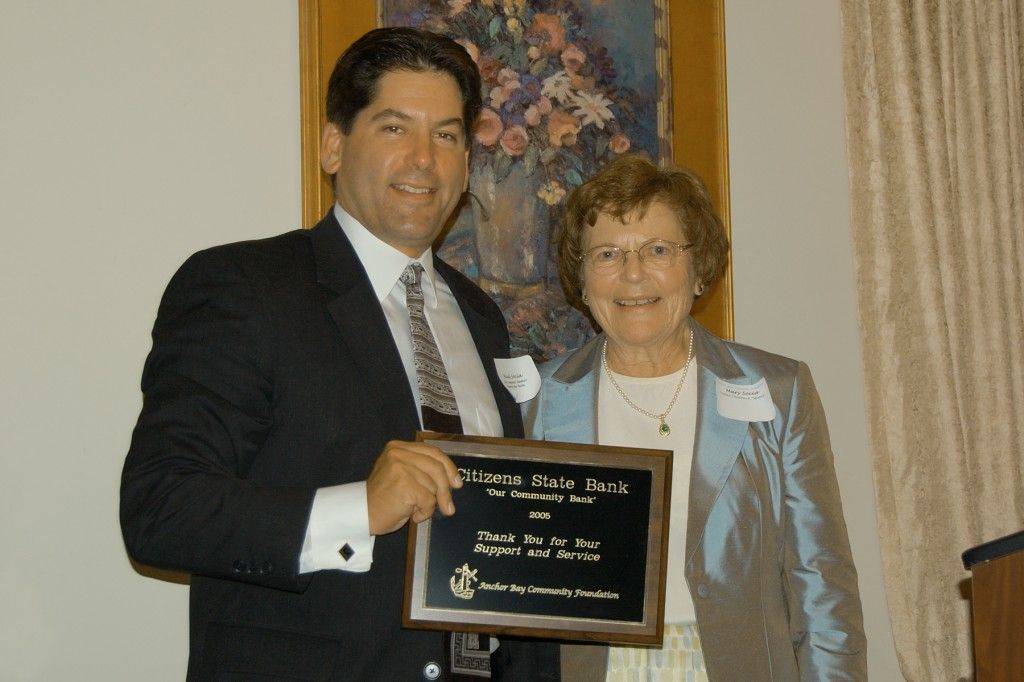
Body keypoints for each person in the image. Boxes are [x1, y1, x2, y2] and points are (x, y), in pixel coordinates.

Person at [121, 27, 557, 681]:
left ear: (468, 164)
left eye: (445, 136)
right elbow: (162, 508)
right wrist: (359, 507)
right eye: (393, 128)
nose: (423, 160)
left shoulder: (481, 317)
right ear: (332, 146)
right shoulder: (246, 287)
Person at [523, 154, 866, 680]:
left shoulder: (778, 392)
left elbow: (821, 583)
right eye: (608, 254)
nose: (633, 274)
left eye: (658, 250)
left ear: (698, 267)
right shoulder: (536, 402)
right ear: (583, 278)